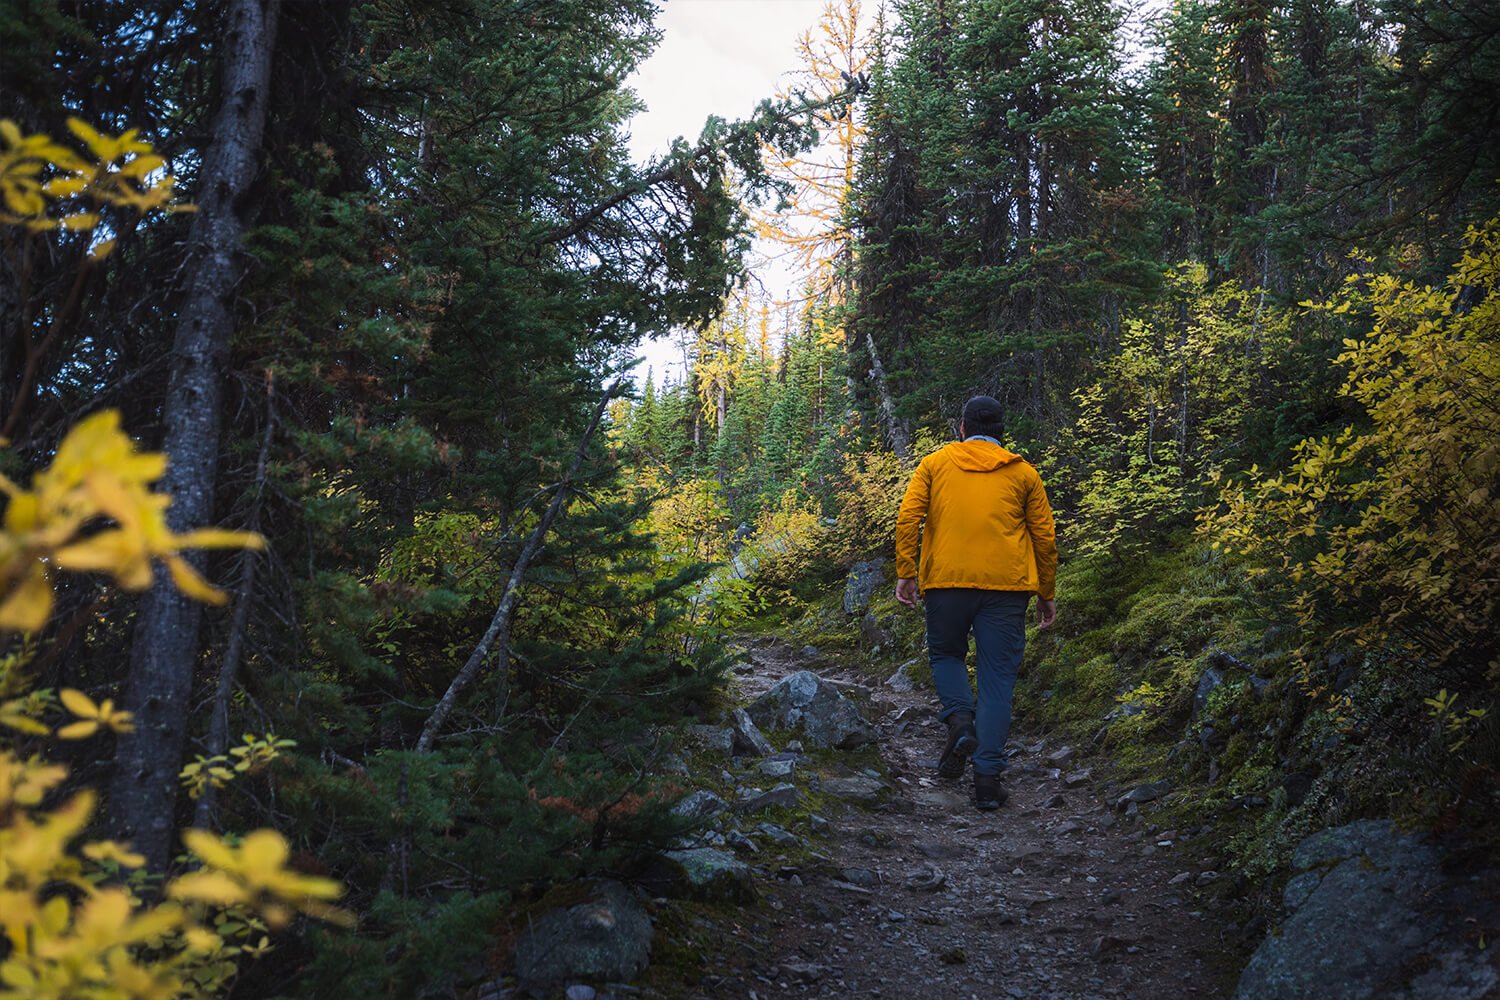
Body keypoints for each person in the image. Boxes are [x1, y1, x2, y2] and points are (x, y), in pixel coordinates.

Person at [894, 395, 1057, 810]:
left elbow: (909, 516)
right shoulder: (1024, 474)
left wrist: (906, 572)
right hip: (1006, 589)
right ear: (1001, 431)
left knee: (947, 654)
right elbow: (1044, 537)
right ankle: (987, 780)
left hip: (946, 582)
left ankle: (960, 720)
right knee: (998, 680)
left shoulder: (934, 464)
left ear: (962, 427)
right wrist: (1046, 593)